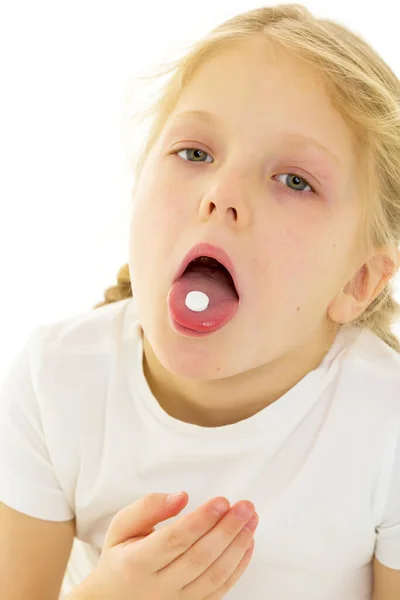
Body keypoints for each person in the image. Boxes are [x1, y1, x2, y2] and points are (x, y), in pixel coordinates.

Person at [1, 3, 400, 599]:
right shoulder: (57, 380)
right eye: (195, 153)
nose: (221, 195)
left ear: (358, 281)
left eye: (295, 180)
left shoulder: (385, 424)